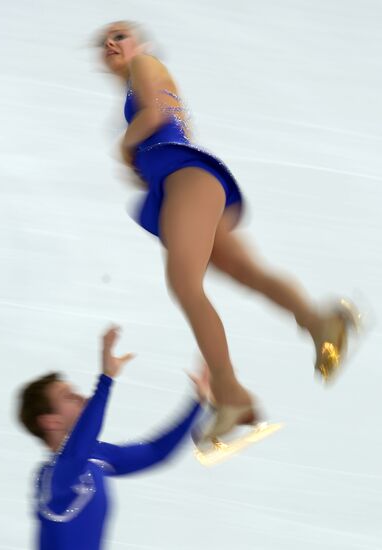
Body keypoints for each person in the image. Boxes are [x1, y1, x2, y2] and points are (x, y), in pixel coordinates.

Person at [97, 21, 358, 442]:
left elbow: (157, 116)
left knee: (185, 284)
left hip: (186, 178)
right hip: (185, 183)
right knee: (244, 271)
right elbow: (165, 122)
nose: (110, 43)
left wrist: (124, 147)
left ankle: (230, 393)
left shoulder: (145, 64)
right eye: (103, 41)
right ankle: (319, 322)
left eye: (121, 35)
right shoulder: (139, 80)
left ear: (141, 44)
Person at [18, 326, 208, 550]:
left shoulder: (95, 456)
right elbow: (79, 446)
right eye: (69, 397)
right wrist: (105, 380)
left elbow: (156, 452)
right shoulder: (55, 478)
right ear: (51, 422)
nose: (81, 397)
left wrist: (198, 402)